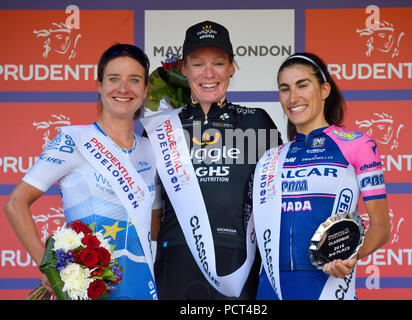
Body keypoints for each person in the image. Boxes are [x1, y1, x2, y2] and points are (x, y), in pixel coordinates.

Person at [4, 44, 160, 300]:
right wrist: (50, 267)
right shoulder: (73, 140)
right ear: (99, 86)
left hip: (143, 287)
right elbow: (15, 203)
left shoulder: (149, 149)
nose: (123, 88)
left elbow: (153, 227)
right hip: (93, 290)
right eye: (113, 79)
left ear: (145, 90)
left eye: (134, 80)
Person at [147, 20, 282, 299]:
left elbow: (279, 199)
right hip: (175, 264)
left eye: (218, 63)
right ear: (183, 69)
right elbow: (149, 210)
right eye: (197, 63)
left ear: (232, 67)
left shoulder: (257, 122)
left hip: (238, 265)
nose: (208, 73)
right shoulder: (162, 129)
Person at [253, 52, 390, 300]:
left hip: (327, 286)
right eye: (285, 89)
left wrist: (351, 256)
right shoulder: (270, 159)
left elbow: (381, 226)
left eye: (302, 85)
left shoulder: (357, 145)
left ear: (324, 89)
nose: (293, 97)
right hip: (271, 288)